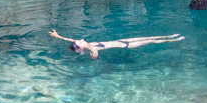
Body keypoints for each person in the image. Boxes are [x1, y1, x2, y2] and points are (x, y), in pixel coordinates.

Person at [49, 29, 184, 59]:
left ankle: (170, 36)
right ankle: (174, 40)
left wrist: (58, 36)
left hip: (123, 40)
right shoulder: (91, 47)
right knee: (150, 41)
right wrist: (93, 55)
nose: (81, 39)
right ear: (81, 47)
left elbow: (69, 40)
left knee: (149, 36)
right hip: (126, 45)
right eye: (79, 41)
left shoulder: (86, 44)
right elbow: (94, 54)